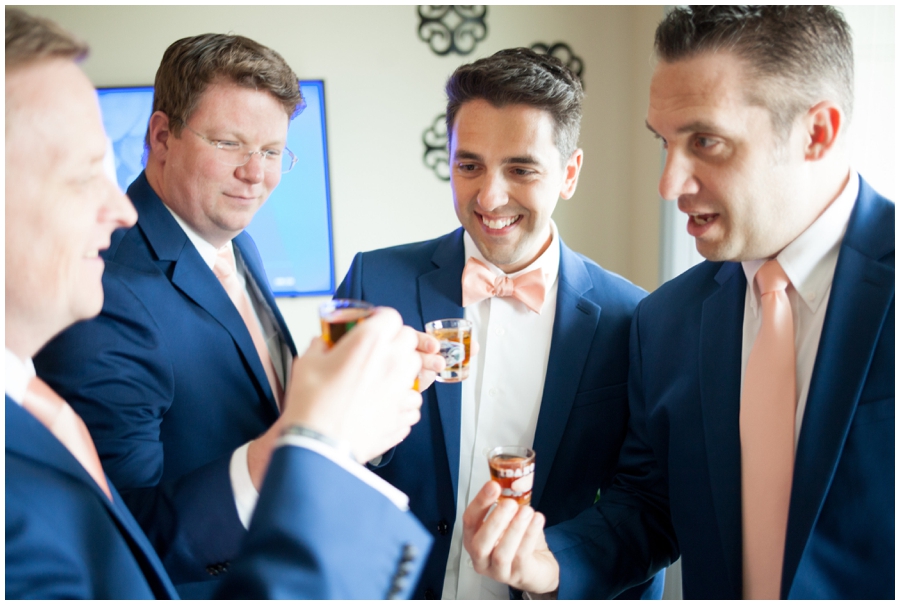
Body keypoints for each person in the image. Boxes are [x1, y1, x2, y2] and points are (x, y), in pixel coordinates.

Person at [461, 5, 894, 600]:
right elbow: (648, 509)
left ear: (816, 133)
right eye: (664, 142)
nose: (668, 183)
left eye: (706, 142)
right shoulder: (663, 321)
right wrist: (551, 562)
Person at [5, 7, 434, 599]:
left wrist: (354, 419)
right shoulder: (105, 288)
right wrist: (306, 447)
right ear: (160, 136)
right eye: (230, 143)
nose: (255, 174)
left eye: (273, 152)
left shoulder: (240, 245)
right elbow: (126, 534)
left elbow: (269, 414)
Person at [336, 47, 663, 599]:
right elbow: (315, 458)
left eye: (520, 168)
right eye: (470, 165)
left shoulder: (635, 318)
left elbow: (648, 507)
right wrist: (365, 420)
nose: (489, 196)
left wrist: (555, 569)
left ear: (570, 173)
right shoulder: (373, 283)